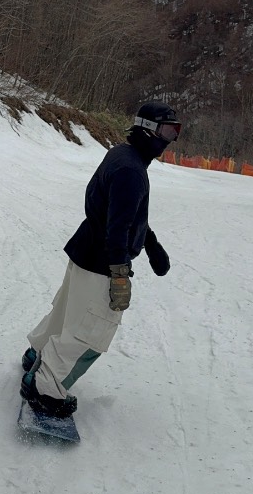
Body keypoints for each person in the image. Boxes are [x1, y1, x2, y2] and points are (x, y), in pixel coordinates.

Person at [20, 100, 181, 419]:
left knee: (67, 314)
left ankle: (37, 354)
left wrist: (152, 246)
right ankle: (45, 387)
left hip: (86, 252)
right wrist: (119, 275)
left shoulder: (123, 155)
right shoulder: (131, 171)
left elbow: (124, 214)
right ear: (148, 130)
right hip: (101, 263)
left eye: (175, 132)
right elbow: (118, 226)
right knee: (91, 332)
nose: (170, 139)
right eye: (167, 131)